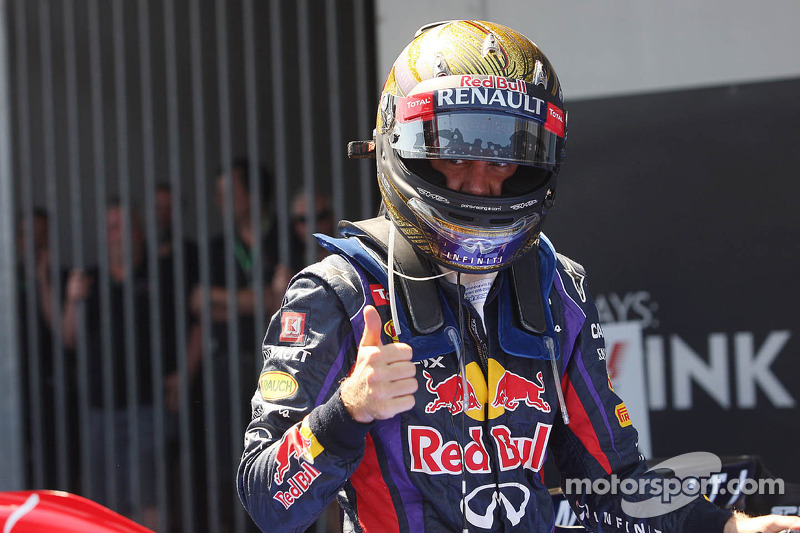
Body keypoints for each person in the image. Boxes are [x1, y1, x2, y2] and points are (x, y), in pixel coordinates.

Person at [237, 21, 800, 533]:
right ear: (404, 146)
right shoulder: (340, 291)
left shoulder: (554, 288)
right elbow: (267, 503)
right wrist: (347, 410)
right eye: (455, 153)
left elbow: (614, 482)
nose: (481, 184)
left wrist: (731, 528)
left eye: (502, 159)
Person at [62, 201, 161, 529]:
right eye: (111, 227)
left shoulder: (157, 276)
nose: (117, 235)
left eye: (123, 226)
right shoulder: (88, 280)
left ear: (138, 232)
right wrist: (73, 300)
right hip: (98, 407)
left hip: (145, 404)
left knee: (148, 495)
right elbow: (68, 338)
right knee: (102, 499)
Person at [288, 189, 334, 273]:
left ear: (331, 218)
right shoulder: (288, 259)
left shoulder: (347, 258)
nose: (312, 226)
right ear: (294, 224)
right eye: (303, 219)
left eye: (319, 217)